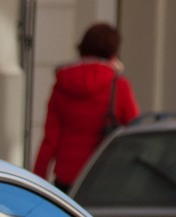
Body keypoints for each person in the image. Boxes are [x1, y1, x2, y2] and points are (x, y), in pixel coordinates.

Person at [33, 22, 139, 194]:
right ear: (113, 53)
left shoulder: (62, 84)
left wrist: (37, 181)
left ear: (82, 48)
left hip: (67, 179)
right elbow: (135, 131)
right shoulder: (119, 85)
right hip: (104, 176)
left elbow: (50, 140)